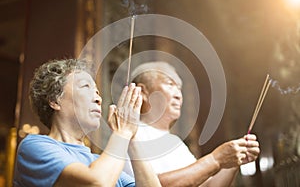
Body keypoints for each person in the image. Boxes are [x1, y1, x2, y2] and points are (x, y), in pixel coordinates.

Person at [13, 58, 162, 187]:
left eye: (97, 92)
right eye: (86, 87)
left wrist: (132, 136)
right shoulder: (34, 146)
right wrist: (122, 132)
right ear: (54, 100)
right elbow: (97, 183)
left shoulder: (100, 162)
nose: (99, 99)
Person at [124, 61, 260, 187]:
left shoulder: (175, 142)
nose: (178, 95)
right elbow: (151, 184)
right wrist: (216, 159)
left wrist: (234, 160)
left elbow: (207, 185)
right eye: (170, 84)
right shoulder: (132, 134)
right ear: (143, 92)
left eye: (179, 88)